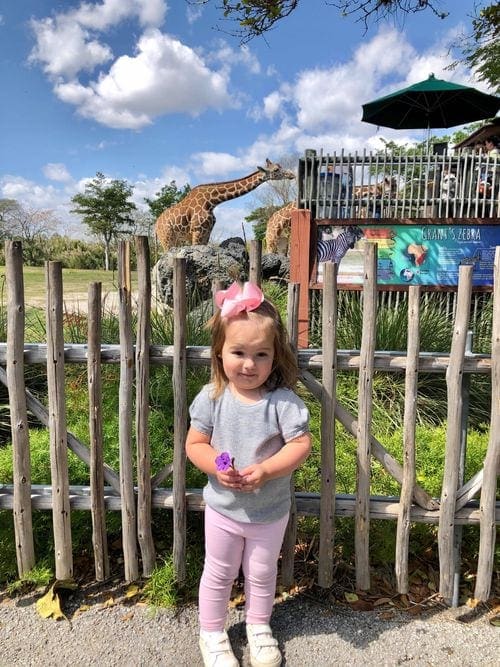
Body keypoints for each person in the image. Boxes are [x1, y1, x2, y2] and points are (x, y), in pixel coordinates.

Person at [186, 281, 312, 667]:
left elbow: (300, 445)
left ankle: (258, 627)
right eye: (238, 352)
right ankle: (212, 632)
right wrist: (216, 469)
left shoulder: (283, 403)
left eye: (260, 354)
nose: (248, 364)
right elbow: (195, 445)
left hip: (269, 511)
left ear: (275, 358)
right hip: (223, 509)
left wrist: (269, 469)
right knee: (219, 572)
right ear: (219, 353)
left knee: (261, 573)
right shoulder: (212, 398)